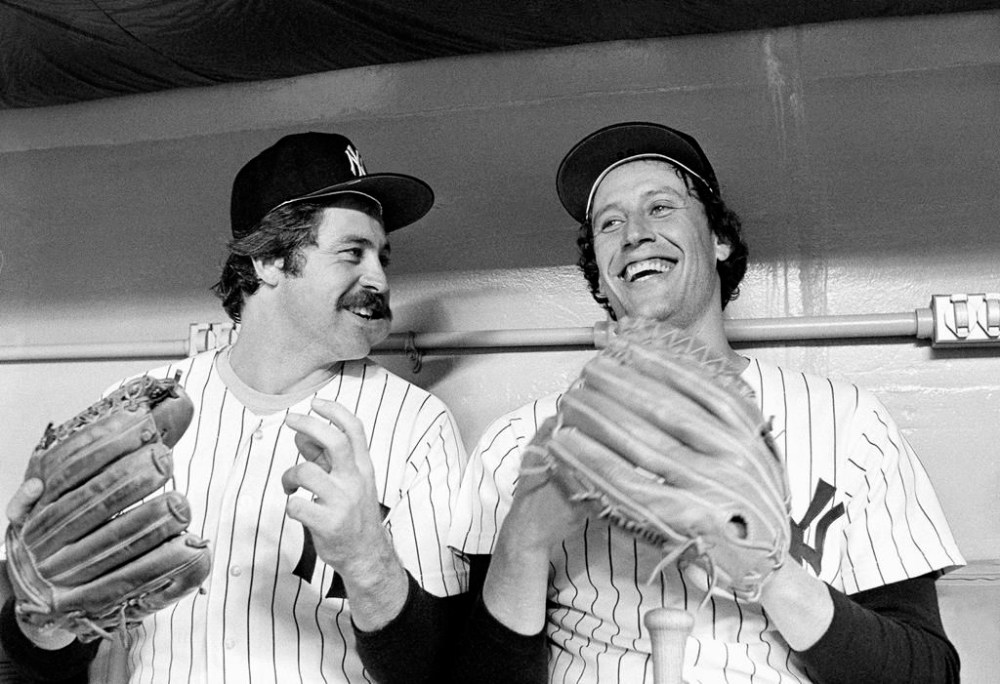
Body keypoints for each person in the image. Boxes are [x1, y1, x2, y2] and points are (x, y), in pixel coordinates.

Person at [446, 122, 965, 683]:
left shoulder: (850, 425)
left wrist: (768, 570)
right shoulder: (517, 444)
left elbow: (930, 673)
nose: (635, 234)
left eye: (661, 208)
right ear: (599, 272)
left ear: (719, 240)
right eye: (610, 223)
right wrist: (523, 540)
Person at [0, 132, 468, 683]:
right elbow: (55, 649)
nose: (380, 279)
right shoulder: (135, 409)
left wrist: (368, 560)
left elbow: (443, 665)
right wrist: (41, 618)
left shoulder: (416, 426)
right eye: (352, 253)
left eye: (382, 256)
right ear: (268, 260)